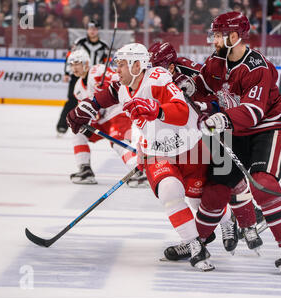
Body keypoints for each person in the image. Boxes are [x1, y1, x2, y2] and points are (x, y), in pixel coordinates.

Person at [66, 43, 215, 272]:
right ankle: (195, 246)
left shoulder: (158, 77)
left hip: (189, 148)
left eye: (122, 64)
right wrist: (87, 106)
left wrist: (156, 109)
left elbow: (181, 110)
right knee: (169, 192)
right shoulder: (123, 86)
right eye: (117, 64)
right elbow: (106, 95)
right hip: (156, 151)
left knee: (201, 200)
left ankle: (229, 222)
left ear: (138, 65)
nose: (118, 70)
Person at [184, 11, 281, 275]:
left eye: (218, 34)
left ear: (235, 36)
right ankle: (199, 243)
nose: (214, 39)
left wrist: (220, 118)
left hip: (267, 130)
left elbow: (253, 112)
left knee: (263, 184)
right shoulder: (217, 61)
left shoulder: (257, 67)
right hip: (232, 129)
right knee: (215, 190)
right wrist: (188, 87)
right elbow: (202, 85)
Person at [148, 41, 268, 258]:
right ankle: (220, 224)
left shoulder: (193, 71)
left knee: (224, 177)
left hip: (215, 129)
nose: (154, 72)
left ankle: (243, 222)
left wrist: (201, 101)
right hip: (187, 135)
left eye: (159, 67)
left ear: (172, 66)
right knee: (200, 188)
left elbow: (222, 98)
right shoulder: (155, 76)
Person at [66, 48, 146, 187]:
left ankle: (139, 172)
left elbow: (120, 81)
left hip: (116, 113)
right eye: (72, 64)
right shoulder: (77, 87)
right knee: (77, 133)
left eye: (77, 63)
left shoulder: (98, 71)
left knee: (117, 142)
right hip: (100, 120)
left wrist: (106, 87)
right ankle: (85, 170)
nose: (74, 67)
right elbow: (86, 110)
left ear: (86, 63)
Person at [56, 19, 109, 136]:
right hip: (78, 76)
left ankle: (91, 128)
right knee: (72, 100)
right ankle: (62, 125)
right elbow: (70, 56)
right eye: (90, 29)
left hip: (95, 77)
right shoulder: (79, 42)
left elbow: (107, 63)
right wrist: (66, 72)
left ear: (98, 31)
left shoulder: (104, 46)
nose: (92, 31)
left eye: (95, 29)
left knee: (93, 102)